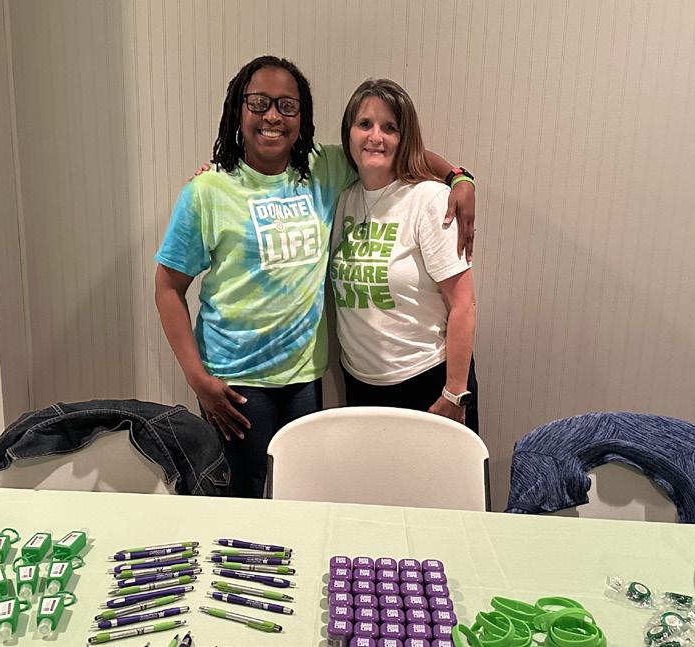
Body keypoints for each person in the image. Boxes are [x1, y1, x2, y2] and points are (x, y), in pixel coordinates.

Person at [154, 56, 476, 497]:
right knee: (244, 498)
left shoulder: (323, 169)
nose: (272, 116)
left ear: (302, 117)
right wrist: (197, 379)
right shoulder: (207, 191)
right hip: (235, 381)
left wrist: (459, 177)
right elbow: (168, 288)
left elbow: (398, 151)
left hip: (304, 378)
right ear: (237, 110)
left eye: (287, 105)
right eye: (259, 102)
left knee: (302, 494)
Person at [331, 78, 479, 433]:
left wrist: (454, 392)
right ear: (349, 132)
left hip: (428, 383)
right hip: (360, 385)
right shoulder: (344, 198)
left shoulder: (429, 199)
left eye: (390, 128)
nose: (375, 137)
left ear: (404, 137)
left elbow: (464, 304)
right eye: (364, 124)